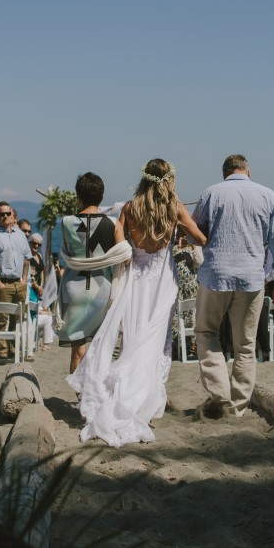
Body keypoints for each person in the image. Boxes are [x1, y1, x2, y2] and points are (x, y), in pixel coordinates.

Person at [67, 158, 207, 447]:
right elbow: (200, 238)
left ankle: (128, 393)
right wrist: (180, 230)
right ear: (170, 179)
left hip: (136, 279)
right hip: (161, 281)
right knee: (157, 338)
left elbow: (120, 246)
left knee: (132, 337)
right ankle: (150, 396)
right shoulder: (175, 208)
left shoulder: (130, 208)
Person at [193, 154, 274, 419]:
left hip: (216, 275)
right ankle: (236, 407)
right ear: (248, 171)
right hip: (251, 278)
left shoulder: (211, 193)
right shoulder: (267, 194)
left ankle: (219, 392)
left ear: (225, 173)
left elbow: (195, 232)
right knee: (245, 345)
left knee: (206, 332)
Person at [59, 173, 123, 373]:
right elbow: (124, 254)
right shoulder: (113, 223)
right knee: (100, 347)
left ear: (78, 196)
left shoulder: (66, 221)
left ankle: (79, 395)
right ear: (101, 196)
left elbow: (69, 252)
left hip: (73, 288)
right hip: (102, 287)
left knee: (77, 348)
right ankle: (94, 392)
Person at [0, 201, 32, 362]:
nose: (5, 216)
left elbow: (26, 258)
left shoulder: (20, 235)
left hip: (19, 283)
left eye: (7, 213)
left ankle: (14, 350)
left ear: (12, 215)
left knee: (18, 318)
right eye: (1, 214)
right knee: (2, 318)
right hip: (1, 282)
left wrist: (24, 279)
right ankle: (1, 352)